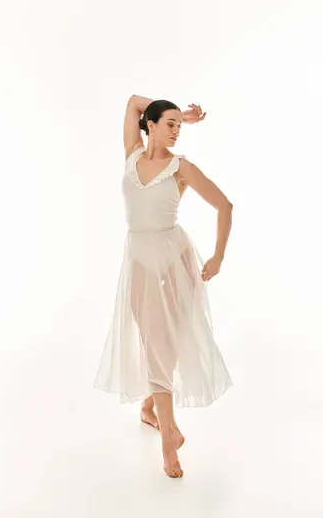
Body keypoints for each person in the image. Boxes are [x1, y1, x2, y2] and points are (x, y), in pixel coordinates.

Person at [94, 95, 234, 478]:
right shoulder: (131, 153)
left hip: (174, 260)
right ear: (149, 124)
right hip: (139, 259)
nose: (176, 130)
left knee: (165, 341)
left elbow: (225, 206)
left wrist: (217, 257)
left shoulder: (180, 168)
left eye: (180, 125)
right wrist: (179, 109)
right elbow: (132, 102)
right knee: (153, 338)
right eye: (169, 123)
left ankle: (168, 435)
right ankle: (149, 409)